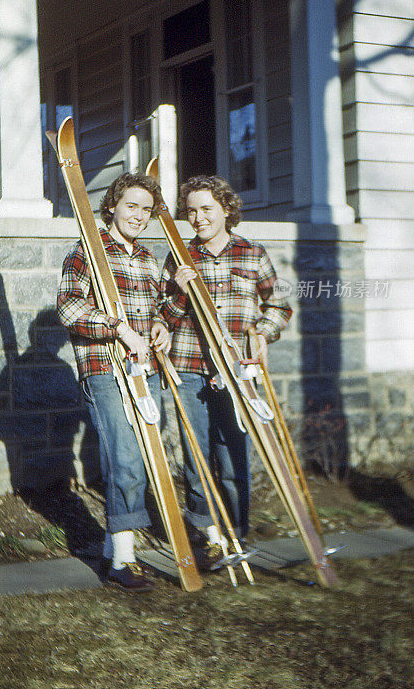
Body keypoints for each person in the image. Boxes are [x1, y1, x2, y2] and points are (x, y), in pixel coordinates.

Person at [159, 175, 292, 567]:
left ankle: (236, 532)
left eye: (206, 209)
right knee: (196, 453)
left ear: (226, 210)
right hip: (190, 366)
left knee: (233, 449)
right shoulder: (181, 256)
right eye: (191, 211)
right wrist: (179, 291)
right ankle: (208, 536)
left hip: (236, 368)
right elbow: (163, 317)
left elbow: (279, 305)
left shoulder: (252, 253)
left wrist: (263, 334)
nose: (198, 218)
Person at [57, 172, 169, 591]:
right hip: (105, 369)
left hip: (147, 370)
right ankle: (124, 563)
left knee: (142, 455)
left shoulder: (146, 258)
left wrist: (160, 328)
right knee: (125, 458)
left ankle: (110, 551)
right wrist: (118, 328)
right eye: (131, 206)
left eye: (146, 209)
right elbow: (69, 309)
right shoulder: (87, 252)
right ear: (112, 206)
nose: (139, 216)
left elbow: (156, 307)